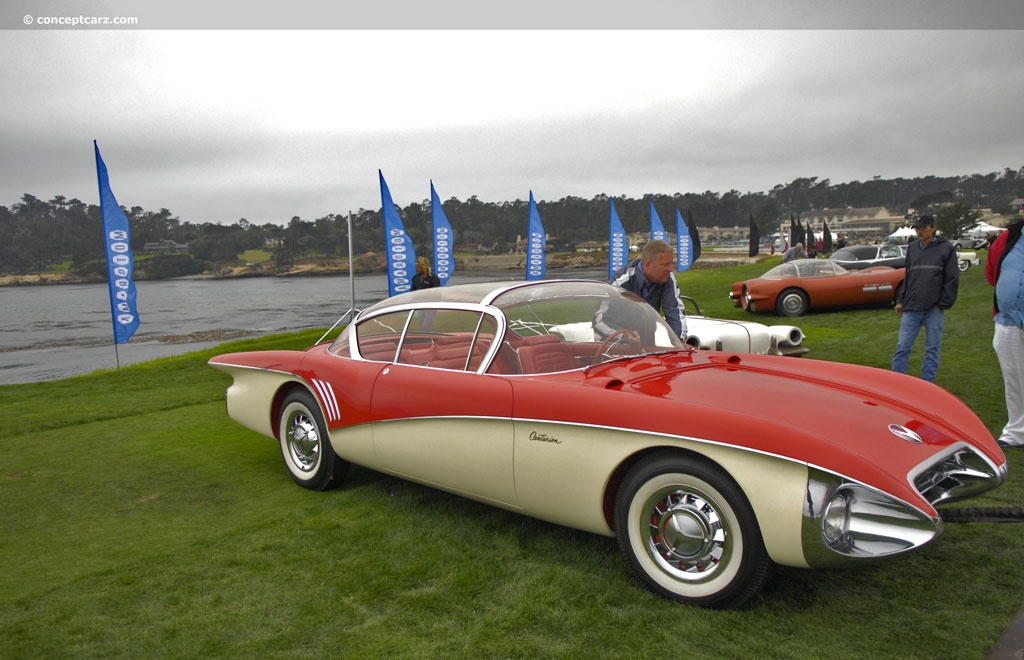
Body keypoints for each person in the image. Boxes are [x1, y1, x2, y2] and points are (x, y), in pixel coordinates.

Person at [891, 214, 959, 382]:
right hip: (911, 307)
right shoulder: (912, 248)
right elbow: (908, 276)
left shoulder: (946, 248)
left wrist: (942, 303)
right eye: (917, 228)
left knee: (932, 348)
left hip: (933, 309)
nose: (919, 231)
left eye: (922, 227)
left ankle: (928, 383)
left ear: (932, 227)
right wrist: (901, 300)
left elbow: (951, 279)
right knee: (902, 347)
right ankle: (897, 382)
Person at [599, 239, 687, 340]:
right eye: (665, 265)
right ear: (648, 264)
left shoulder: (667, 278)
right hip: (612, 347)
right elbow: (599, 321)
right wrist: (624, 336)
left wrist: (679, 341)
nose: (670, 269)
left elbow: (674, 309)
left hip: (646, 344)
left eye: (671, 264)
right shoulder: (619, 283)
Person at [986, 216, 1024, 448]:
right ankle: (1017, 432)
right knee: (1014, 379)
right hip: (1008, 321)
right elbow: (993, 272)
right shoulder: (1009, 238)